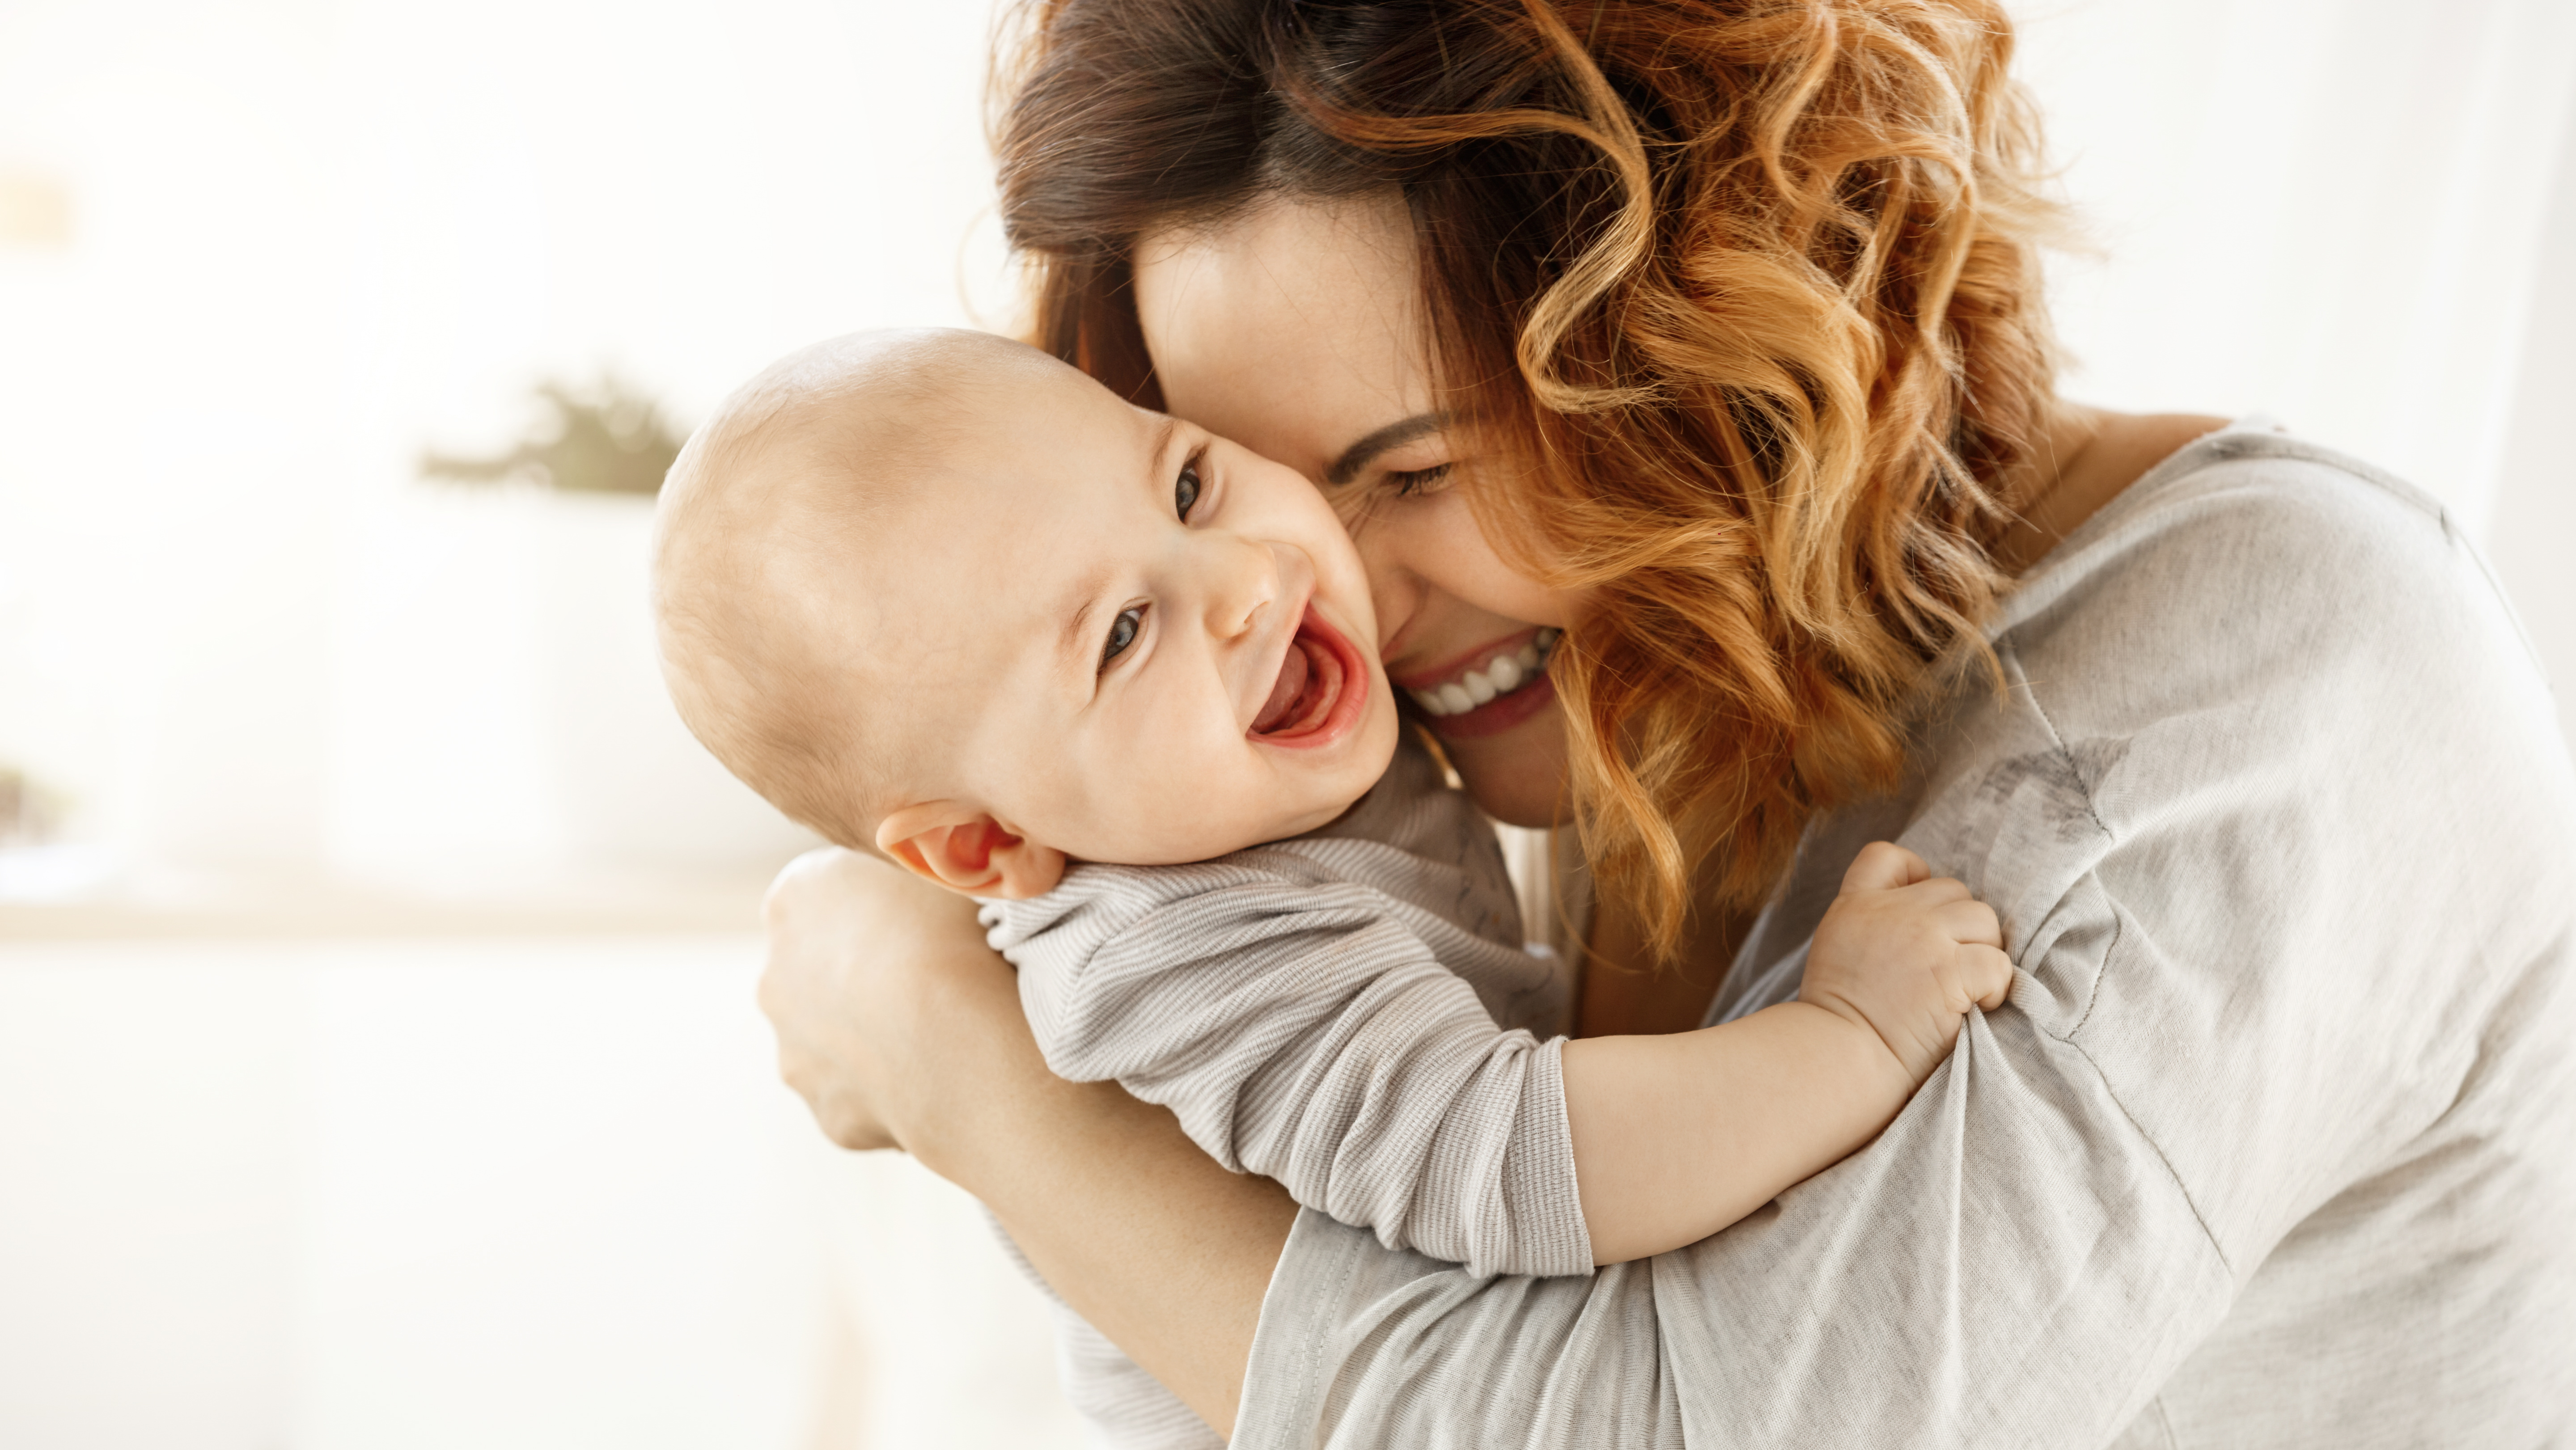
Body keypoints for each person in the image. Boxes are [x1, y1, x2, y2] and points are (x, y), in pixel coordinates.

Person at [757, 1, 2576, 1445]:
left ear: (1712, 339)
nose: (1339, 608)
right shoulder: (1653, 712)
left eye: (1419, 473)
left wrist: (961, 1069)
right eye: (1244, 482)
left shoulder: (2274, 669)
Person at [652, 326, 2012, 1445]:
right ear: (981, 850)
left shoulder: (1239, 775)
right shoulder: (1184, 955)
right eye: (1124, 634)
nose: (1246, 580)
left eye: (1187, 485)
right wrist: (1852, 1033)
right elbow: (1525, 1159)